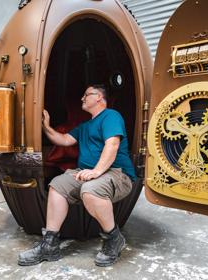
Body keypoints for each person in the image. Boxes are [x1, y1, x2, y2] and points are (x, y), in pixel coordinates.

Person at [18, 84, 137, 267]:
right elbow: (64, 140)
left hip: (116, 174)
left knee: (91, 189)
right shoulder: (85, 126)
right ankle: (50, 245)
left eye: (86, 95)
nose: (82, 98)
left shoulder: (111, 116)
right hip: (88, 173)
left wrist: (96, 171)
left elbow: (112, 145)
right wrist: (46, 127)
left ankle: (114, 239)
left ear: (99, 97)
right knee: (57, 186)